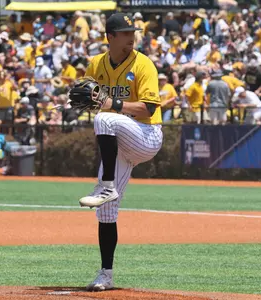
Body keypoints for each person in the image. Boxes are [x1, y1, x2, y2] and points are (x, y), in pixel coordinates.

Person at [78, 13, 163, 291]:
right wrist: (79, 99)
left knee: (105, 118)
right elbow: (90, 97)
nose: (131, 38)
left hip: (146, 136)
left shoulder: (143, 64)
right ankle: (106, 274)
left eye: (133, 32)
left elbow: (148, 108)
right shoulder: (96, 64)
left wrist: (109, 103)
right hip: (121, 143)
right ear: (110, 37)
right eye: (125, 33)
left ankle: (108, 185)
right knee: (105, 211)